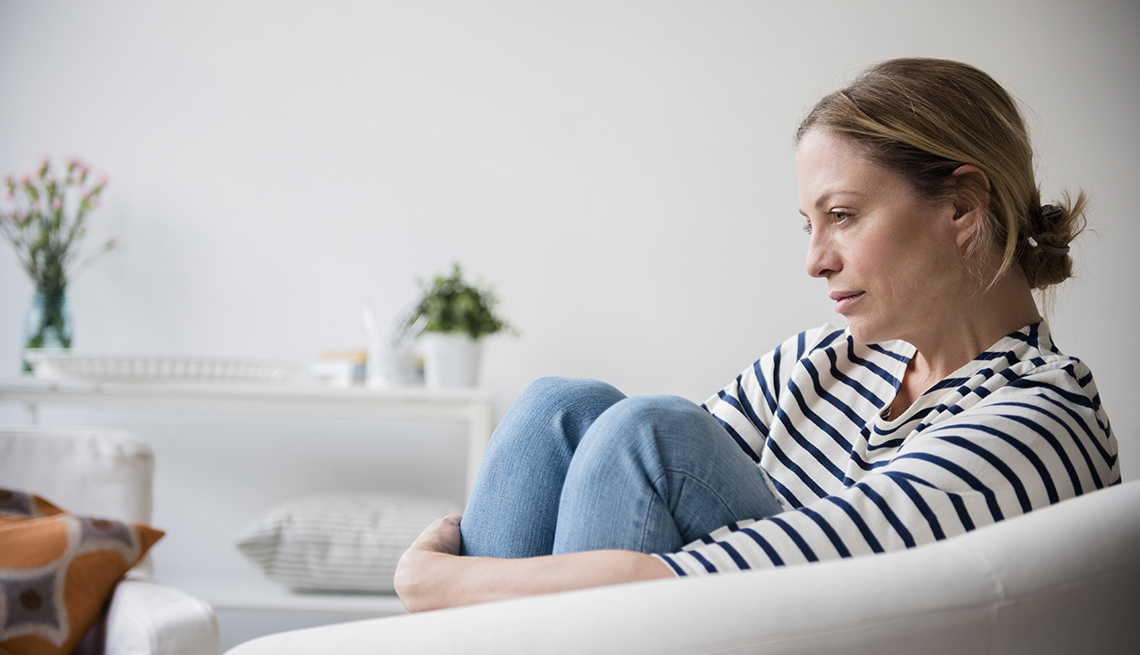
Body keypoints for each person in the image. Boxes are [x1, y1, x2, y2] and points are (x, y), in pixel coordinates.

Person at [394, 57, 1120, 612]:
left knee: (650, 433)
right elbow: (628, 499)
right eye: (809, 225)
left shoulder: (1039, 419)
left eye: (842, 216)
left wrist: (441, 580)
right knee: (561, 406)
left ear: (962, 208)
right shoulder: (818, 361)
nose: (815, 260)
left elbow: (776, 565)